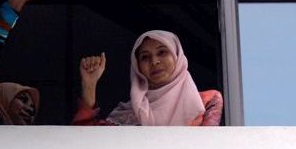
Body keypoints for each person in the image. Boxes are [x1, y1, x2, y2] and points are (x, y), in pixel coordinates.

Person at [72, 30, 223, 126]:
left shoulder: (207, 101)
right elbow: (86, 141)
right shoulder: (129, 113)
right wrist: (89, 84)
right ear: (137, 67)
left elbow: (206, 148)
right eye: (145, 57)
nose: (154, 61)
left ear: (177, 56)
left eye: (162, 52)